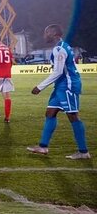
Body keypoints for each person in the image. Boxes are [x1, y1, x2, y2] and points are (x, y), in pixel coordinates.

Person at [27, 24, 90, 160]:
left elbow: (58, 72)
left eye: (46, 33)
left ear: (53, 34)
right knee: (50, 113)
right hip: (61, 86)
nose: (44, 36)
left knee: (73, 116)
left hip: (68, 86)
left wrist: (40, 87)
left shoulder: (59, 49)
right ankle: (43, 147)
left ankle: (84, 152)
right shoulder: (63, 46)